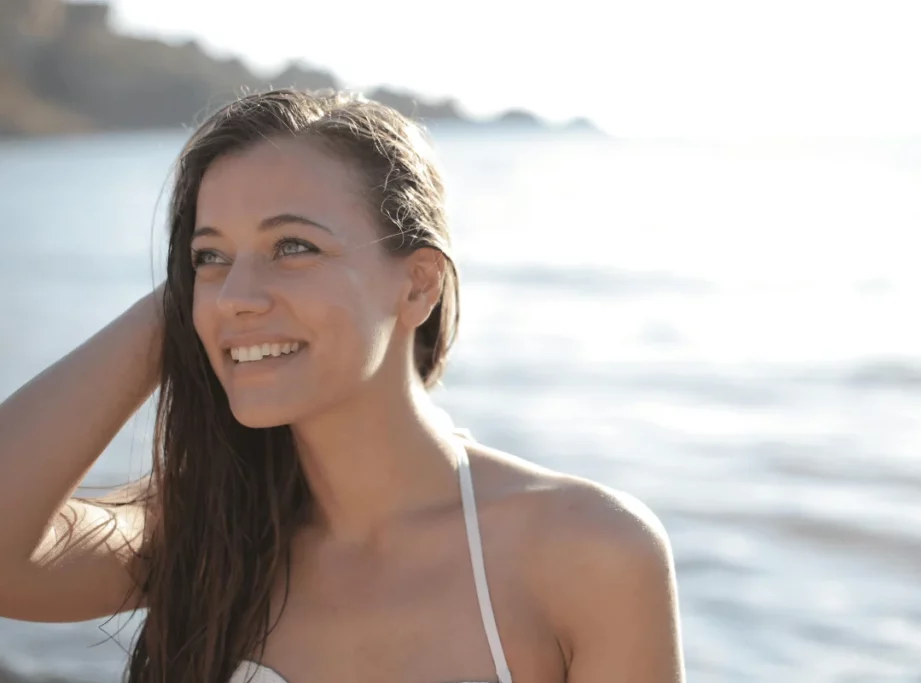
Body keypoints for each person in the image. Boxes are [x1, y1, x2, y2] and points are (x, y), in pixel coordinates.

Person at [0, 89, 685, 683]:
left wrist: (224, 279)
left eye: (293, 246)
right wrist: (189, 303)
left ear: (417, 282)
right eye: (209, 255)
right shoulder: (206, 537)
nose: (238, 294)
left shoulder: (589, 551)